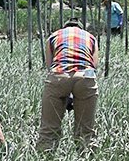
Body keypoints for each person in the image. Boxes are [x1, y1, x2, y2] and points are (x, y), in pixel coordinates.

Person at [37, 18, 99, 151]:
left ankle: (46, 158)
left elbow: (49, 65)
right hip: (85, 77)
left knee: (48, 130)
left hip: (59, 75)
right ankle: (86, 160)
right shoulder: (91, 38)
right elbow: (94, 65)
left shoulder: (54, 36)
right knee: (86, 132)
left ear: (64, 27)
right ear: (81, 28)